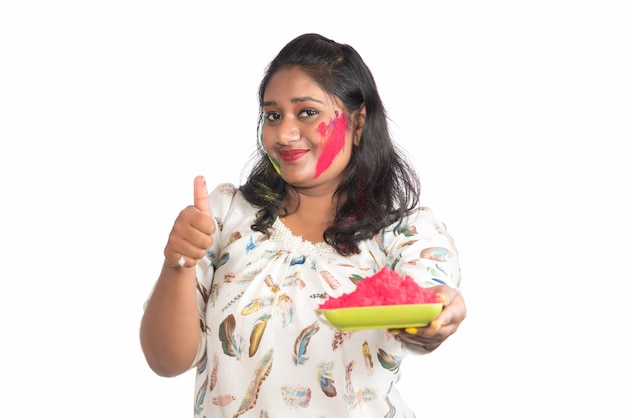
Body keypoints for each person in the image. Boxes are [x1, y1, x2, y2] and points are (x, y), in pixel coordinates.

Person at [140, 33, 466, 418]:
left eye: (307, 112)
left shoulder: (406, 236)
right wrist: (178, 259)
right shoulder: (225, 216)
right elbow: (166, 361)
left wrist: (440, 316)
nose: (284, 134)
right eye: (273, 115)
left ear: (359, 121)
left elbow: (432, 300)